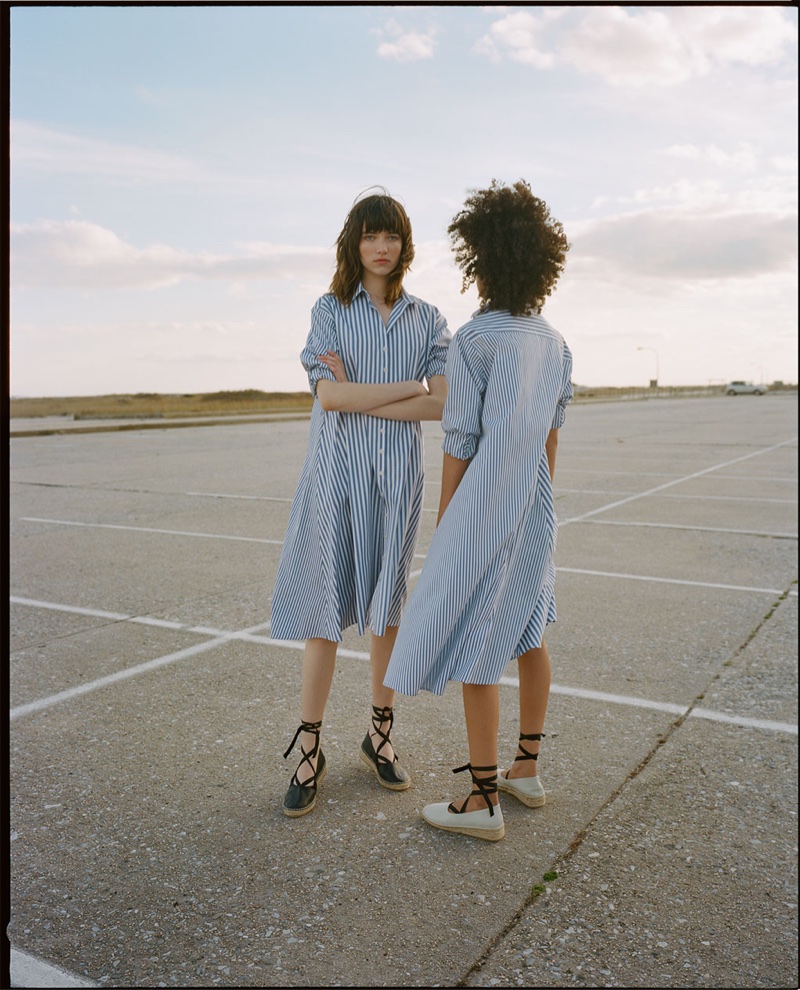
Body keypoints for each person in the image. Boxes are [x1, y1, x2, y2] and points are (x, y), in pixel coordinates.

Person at [383, 179, 573, 841]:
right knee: (530, 634)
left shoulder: (474, 341)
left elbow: (459, 441)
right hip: (535, 510)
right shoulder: (555, 343)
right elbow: (550, 441)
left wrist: (447, 525)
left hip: (482, 509)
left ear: (481, 260)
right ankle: (527, 770)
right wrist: (537, 512)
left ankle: (482, 800)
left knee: (475, 650)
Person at [271, 189, 451, 817]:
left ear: (404, 245)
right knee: (324, 607)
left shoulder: (428, 319)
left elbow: (443, 404)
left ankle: (379, 736)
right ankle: (308, 744)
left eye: (392, 236)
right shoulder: (329, 310)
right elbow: (329, 401)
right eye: (372, 235)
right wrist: (405, 386)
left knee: (387, 609)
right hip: (334, 477)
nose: (382, 247)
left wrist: (360, 390)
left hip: (396, 479)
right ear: (355, 242)